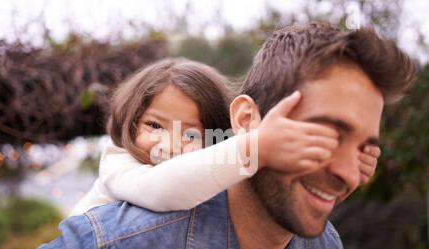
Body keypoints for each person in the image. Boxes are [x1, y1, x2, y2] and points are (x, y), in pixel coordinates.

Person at [9, 22, 415, 249]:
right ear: (244, 122)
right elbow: (163, 186)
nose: (347, 172)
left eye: (363, 148)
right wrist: (256, 147)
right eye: (320, 134)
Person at [69, 58, 378, 217]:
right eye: (155, 126)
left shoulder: (207, 169)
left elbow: (262, 196)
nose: (171, 144)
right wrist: (256, 147)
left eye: (191, 133)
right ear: (131, 123)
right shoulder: (118, 160)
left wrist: (341, 167)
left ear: (216, 138)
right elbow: (161, 190)